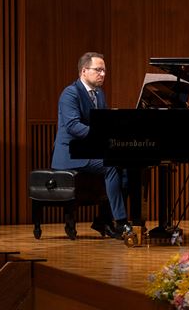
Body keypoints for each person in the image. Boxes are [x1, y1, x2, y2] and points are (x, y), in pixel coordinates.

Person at [51, 52, 132, 238]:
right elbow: (73, 126)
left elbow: (103, 123)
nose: (103, 74)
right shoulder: (70, 93)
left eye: (104, 70)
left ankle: (104, 220)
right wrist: (102, 137)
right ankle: (121, 222)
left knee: (127, 167)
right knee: (111, 166)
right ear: (84, 71)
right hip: (70, 154)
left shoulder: (99, 94)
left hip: (88, 151)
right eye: (98, 70)